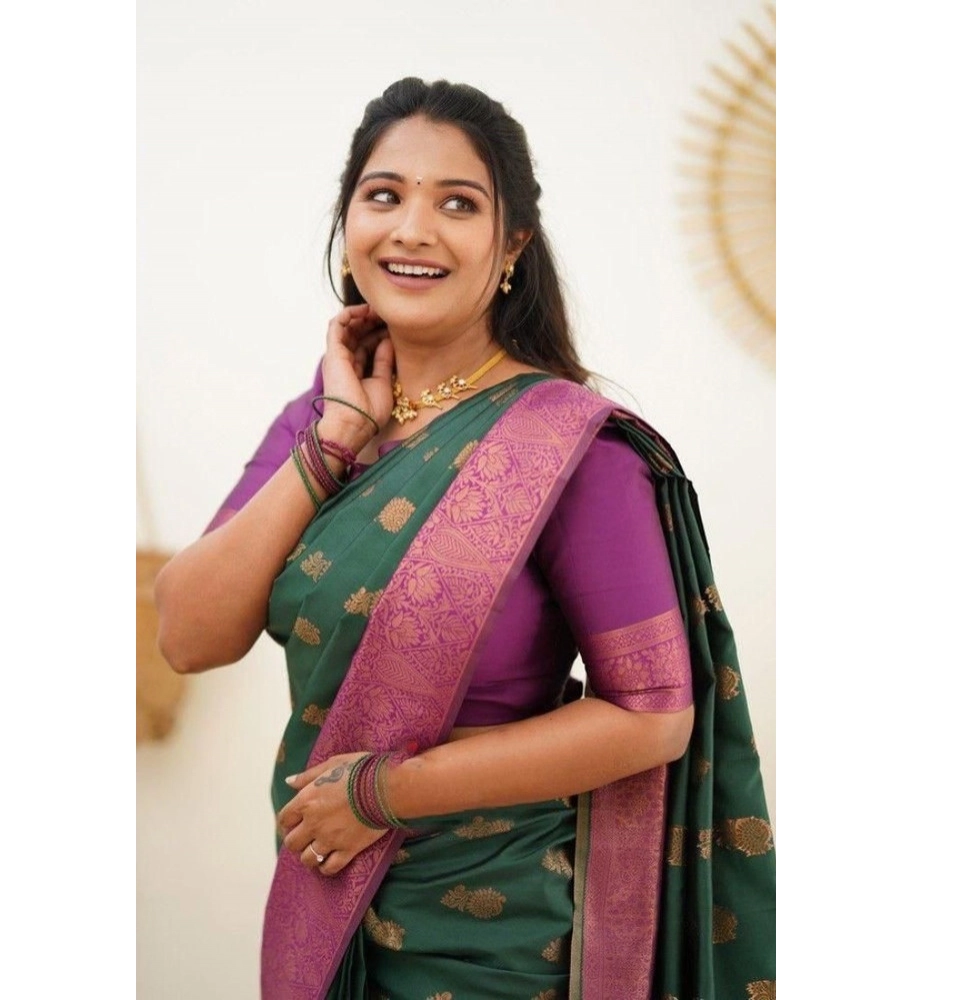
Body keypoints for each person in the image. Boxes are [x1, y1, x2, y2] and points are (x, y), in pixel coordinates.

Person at [155, 77, 775, 1000]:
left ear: (511, 243)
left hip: (497, 937)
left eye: (457, 204)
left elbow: (654, 714)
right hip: (327, 902)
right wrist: (333, 440)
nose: (413, 229)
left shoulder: (572, 447)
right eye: (384, 195)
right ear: (348, 221)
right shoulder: (319, 421)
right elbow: (188, 635)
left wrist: (386, 794)